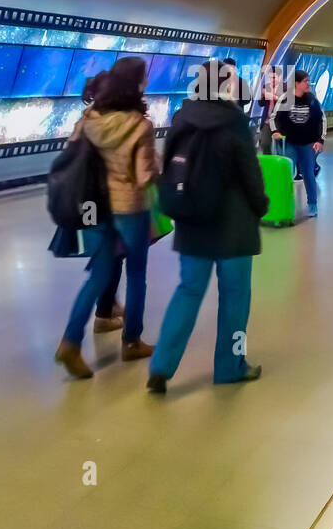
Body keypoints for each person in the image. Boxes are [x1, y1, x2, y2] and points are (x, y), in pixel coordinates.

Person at [147, 60, 266, 393]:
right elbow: (250, 176)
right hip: (234, 227)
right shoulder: (235, 122)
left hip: (192, 225)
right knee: (235, 299)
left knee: (187, 292)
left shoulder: (181, 119)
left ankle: (161, 366)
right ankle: (231, 366)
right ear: (223, 85)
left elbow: (169, 169)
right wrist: (260, 207)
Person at [56, 56, 158, 378]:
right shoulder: (140, 125)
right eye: (144, 78)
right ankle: (132, 341)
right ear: (136, 85)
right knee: (137, 273)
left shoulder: (88, 119)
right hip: (129, 207)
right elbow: (144, 176)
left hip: (93, 206)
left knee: (98, 275)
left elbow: (72, 153)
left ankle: (70, 342)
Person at [78, 73, 124, 335]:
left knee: (106, 253)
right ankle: (103, 315)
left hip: (87, 200)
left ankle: (109, 303)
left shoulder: (86, 120)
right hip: (104, 200)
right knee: (114, 256)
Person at [271, 69, 326, 217]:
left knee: (308, 173)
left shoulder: (313, 101)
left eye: (308, 81)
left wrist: (320, 140)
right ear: (296, 83)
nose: (308, 84)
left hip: (308, 143)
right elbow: (273, 118)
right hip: (289, 142)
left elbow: (322, 120)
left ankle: (312, 204)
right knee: (287, 173)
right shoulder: (285, 98)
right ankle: (286, 204)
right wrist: (275, 131)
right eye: (305, 81)